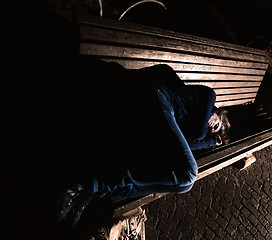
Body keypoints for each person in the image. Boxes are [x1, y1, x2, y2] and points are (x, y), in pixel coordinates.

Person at [56, 62, 231, 226]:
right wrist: (209, 138)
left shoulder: (195, 126)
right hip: (156, 94)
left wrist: (209, 141)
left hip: (157, 112)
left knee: (185, 183)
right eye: (220, 123)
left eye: (217, 131)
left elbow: (186, 144)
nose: (215, 127)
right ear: (220, 114)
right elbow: (206, 106)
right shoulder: (207, 99)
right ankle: (87, 184)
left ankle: (96, 192)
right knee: (188, 172)